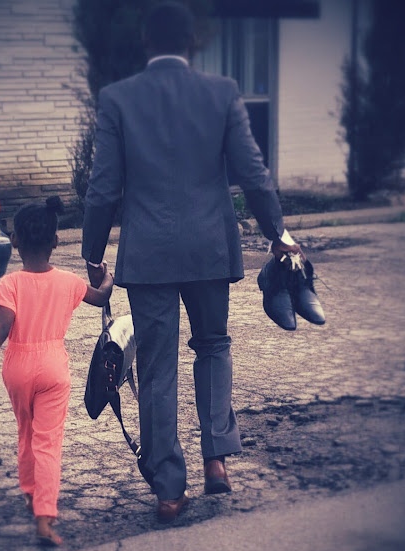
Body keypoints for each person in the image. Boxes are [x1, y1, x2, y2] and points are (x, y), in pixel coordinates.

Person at [82, 2, 304, 523]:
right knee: (213, 345)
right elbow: (253, 173)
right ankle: (216, 459)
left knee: (157, 366)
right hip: (208, 248)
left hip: (148, 255)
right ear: (192, 43)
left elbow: (103, 189)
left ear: (145, 41)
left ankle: (168, 489)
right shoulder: (221, 92)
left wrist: (92, 255)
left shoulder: (118, 98)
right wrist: (278, 234)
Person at [0, 197, 113, 545]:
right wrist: (107, 279)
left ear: (15, 241)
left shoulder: (10, 284)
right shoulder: (68, 281)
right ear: (56, 241)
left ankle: (29, 491)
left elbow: (1, 328)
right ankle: (44, 517)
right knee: (48, 442)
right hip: (53, 366)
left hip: (18, 366)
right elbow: (100, 297)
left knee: (26, 432)